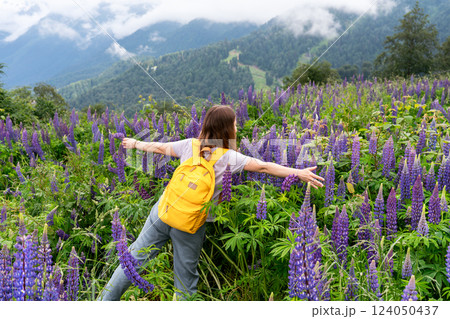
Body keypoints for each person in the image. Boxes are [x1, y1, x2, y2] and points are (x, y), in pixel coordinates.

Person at [98, 105, 324, 300]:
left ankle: (102, 303)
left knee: (133, 258)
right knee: (186, 281)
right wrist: (298, 173)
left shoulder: (190, 144)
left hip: (164, 209)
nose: (237, 128)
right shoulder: (228, 157)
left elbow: (159, 147)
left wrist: (135, 143)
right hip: (191, 222)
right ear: (226, 128)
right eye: (235, 124)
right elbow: (264, 166)